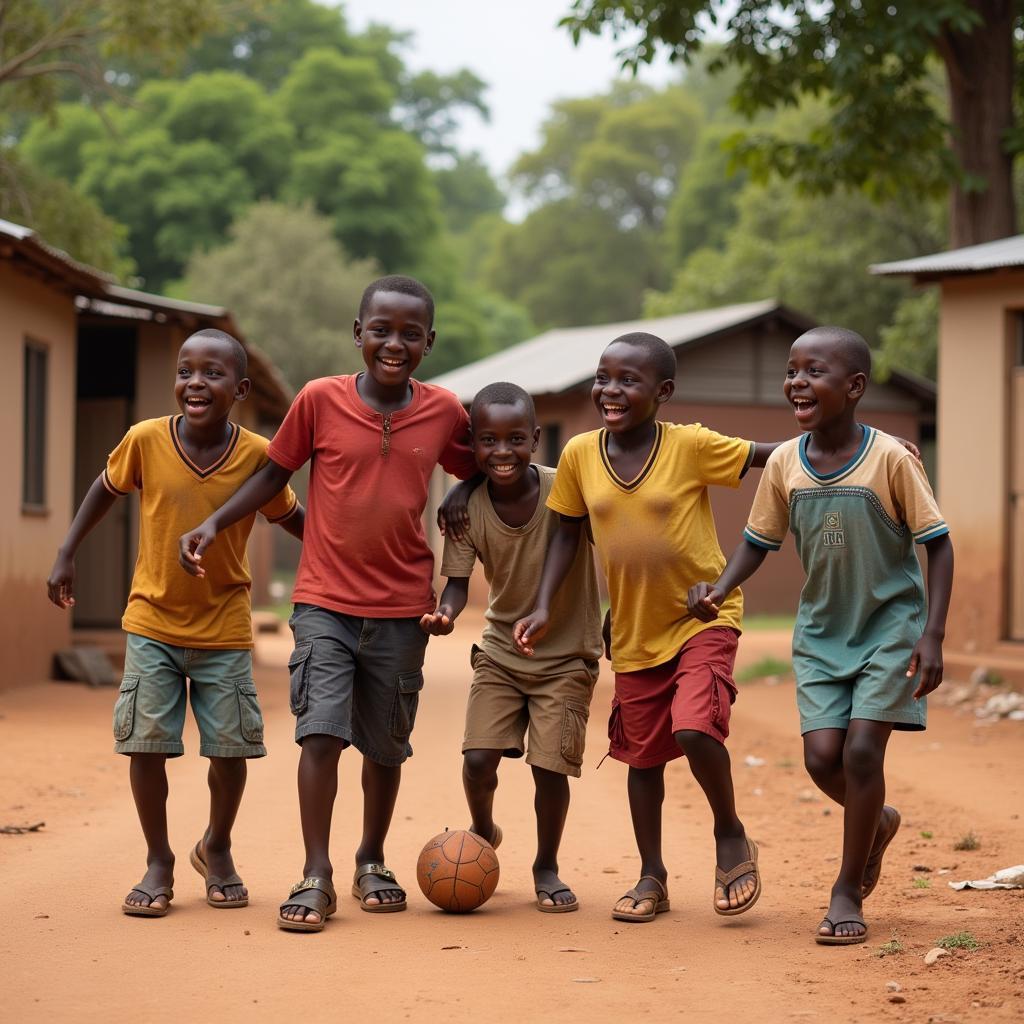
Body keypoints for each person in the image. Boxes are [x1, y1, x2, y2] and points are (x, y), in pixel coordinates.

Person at [178, 276, 478, 932]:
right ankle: (317, 872)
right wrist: (214, 522)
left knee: (386, 746)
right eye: (380, 330)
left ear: (429, 341)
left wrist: (464, 489)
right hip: (324, 601)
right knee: (320, 734)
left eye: (408, 333)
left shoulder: (446, 411)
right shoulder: (319, 400)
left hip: (403, 606)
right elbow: (270, 475)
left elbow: (482, 464)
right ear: (358, 333)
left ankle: (371, 857)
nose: (393, 343)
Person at [687, 326, 953, 946]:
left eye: (814, 371)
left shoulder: (890, 458)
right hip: (822, 633)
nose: (796, 382)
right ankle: (877, 821)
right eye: (791, 370)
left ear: (854, 387)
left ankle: (846, 889)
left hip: (891, 627)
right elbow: (758, 540)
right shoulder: (784, 462)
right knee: (820, 759)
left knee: (862, 754)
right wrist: (720, 589)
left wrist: (932, 633)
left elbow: (937, 545)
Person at [47, 329, 303, 917]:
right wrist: (67, 551)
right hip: (152, 621)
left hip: (225, 626)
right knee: (146, 745)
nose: (195, 382)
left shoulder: (259, 456)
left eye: (212, 374)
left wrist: (345, 562)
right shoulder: (145, 440)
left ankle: (216, 846)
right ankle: (158, 859)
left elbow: (293, 518)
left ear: (239, 389)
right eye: (187, 371)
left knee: (232, 750)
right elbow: (105, 487)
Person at [421, 382, 603, 912]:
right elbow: (457, 582)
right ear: (472, 446)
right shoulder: (465, 510)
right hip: (501, 652)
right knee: (478, 760)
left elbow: (609, 546)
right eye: (488, 441)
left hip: (567, 656)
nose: (502, 452)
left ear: (536, 439)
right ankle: (483, 828)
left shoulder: (565, 491)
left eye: (515, 439)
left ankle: (546, 865)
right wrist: (447, 614)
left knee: (550, 769)